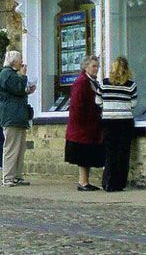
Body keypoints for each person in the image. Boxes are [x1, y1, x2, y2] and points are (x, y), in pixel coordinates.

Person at [96, 56, 138, 192]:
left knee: (110, 152)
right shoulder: (131, 85)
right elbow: (133, 103)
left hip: (108, 121)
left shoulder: (104, 83)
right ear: (127, 69)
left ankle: (108, 182)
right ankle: (119, 183)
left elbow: (98, 101)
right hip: (125, 121)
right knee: (123, 152)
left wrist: (108, 106)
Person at [64, 55, 105, 191]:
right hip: (82, 127)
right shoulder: (81, 82)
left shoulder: (92, 81)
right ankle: (83, 182)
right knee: (83, 156)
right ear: (86, 67)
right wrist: (84, 122)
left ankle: (85, 181)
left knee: (87, 156)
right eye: (93, 66)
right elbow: (76, 106)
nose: (96, 69)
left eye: (97, 66)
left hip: (90, 126)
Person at [0, 50, 36, 187]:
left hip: (18, 115)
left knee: (20, 149)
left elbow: (18, 92)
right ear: (14, 61)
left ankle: (17, 176)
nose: (22, 62)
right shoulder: (6, 74)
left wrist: (28, 90)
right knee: (11, 148)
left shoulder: (12, 75)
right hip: (11, 116)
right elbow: (18, 88)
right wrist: (24, 77)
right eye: (20, 59)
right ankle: (7, 177)